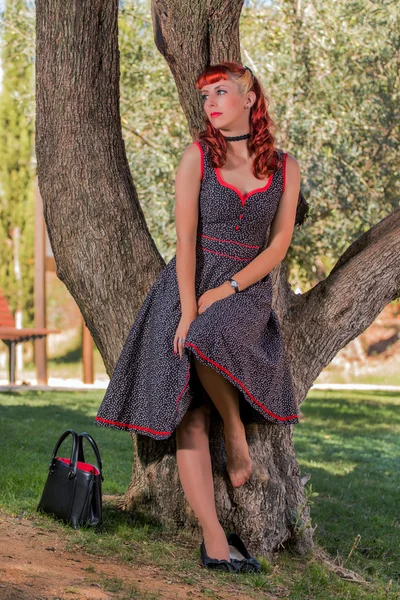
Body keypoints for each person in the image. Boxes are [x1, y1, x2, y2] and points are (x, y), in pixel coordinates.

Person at [95, 61, 301, 571]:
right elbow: (186, 241)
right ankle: (214, 540)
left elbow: (278, 246)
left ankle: (234, 429)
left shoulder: (283, 166)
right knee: (187, 410)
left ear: (250, 98)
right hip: (187, 283)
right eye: (205, 95)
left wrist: (228, 289)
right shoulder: (197, 157)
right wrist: (188, 308)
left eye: (221, 92)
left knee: (209, 334)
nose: (210, 102)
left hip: (247, 289)